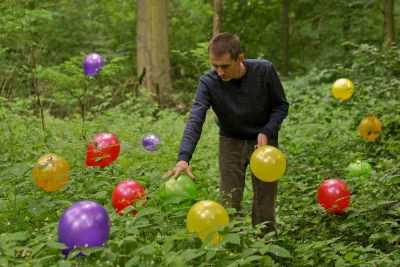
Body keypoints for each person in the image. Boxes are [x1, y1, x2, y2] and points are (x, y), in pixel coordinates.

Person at [162, 32, 289, 238]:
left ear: (240, 59)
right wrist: (183, 158)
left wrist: (267, 130)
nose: (220, 72)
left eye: (225, 66)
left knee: (265, 204)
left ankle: (266, 248)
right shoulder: (209, 82)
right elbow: (196, 118)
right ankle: (232, 249)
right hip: (230, 141)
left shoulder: (264, 70)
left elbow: (281, 105)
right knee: (229, 202)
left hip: (264, 142)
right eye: (215, 66)